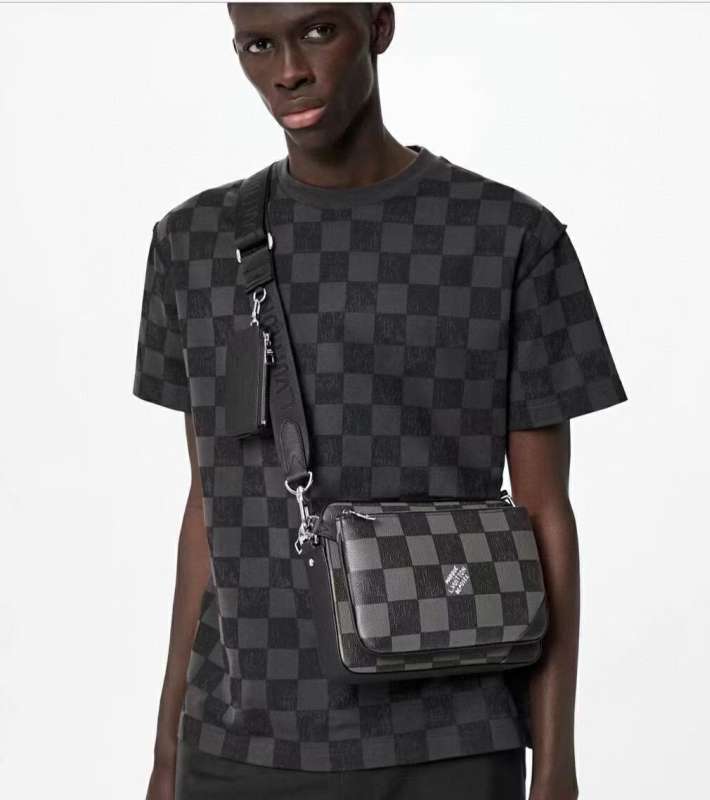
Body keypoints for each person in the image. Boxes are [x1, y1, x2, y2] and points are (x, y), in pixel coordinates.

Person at [134, 4, 627, 799]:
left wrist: (555, 767)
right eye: (257, 45)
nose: (287, 71)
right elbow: (207, 505)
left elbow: (544, 514)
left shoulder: (508, 237)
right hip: (236, 746)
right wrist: (167, 754)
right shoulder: (191, 245)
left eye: (317, 32)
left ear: (378, 26)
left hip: (450, 742)